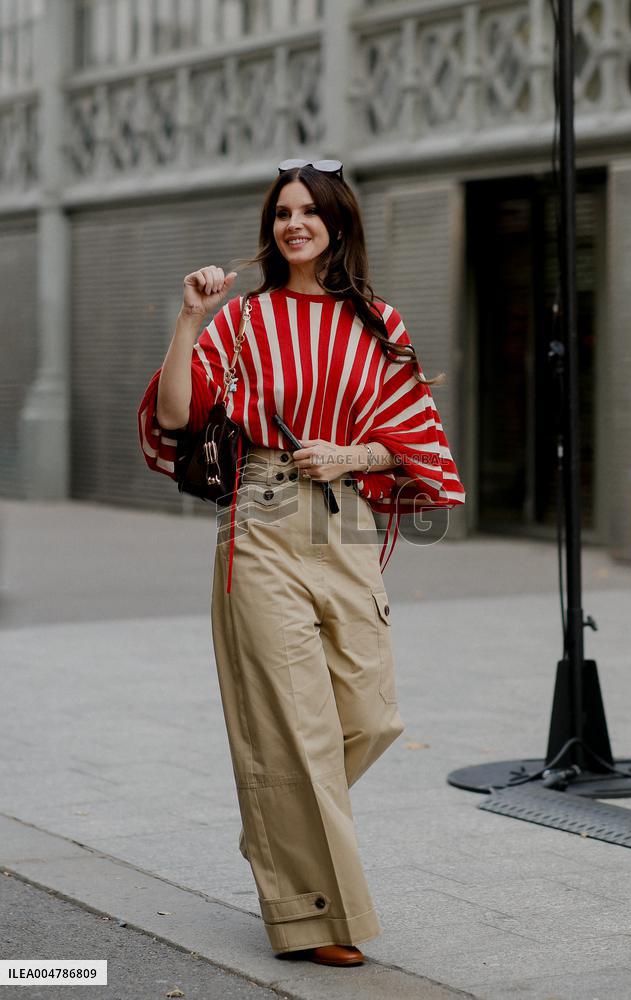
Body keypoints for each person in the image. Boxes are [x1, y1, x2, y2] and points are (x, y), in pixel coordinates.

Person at [137, 158, 465, 967]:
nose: (293, 224)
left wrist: (351, 451)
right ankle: (318, 918)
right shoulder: (243, 320)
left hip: (344, 520)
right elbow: (178, 414)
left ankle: (276, 821)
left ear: (337, 224)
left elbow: (414, 438)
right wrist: (188, 320)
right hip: (261, 515)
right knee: (295, 726)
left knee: (369, 715)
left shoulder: (380, 324)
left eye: (309, 212)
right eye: (282, 212)